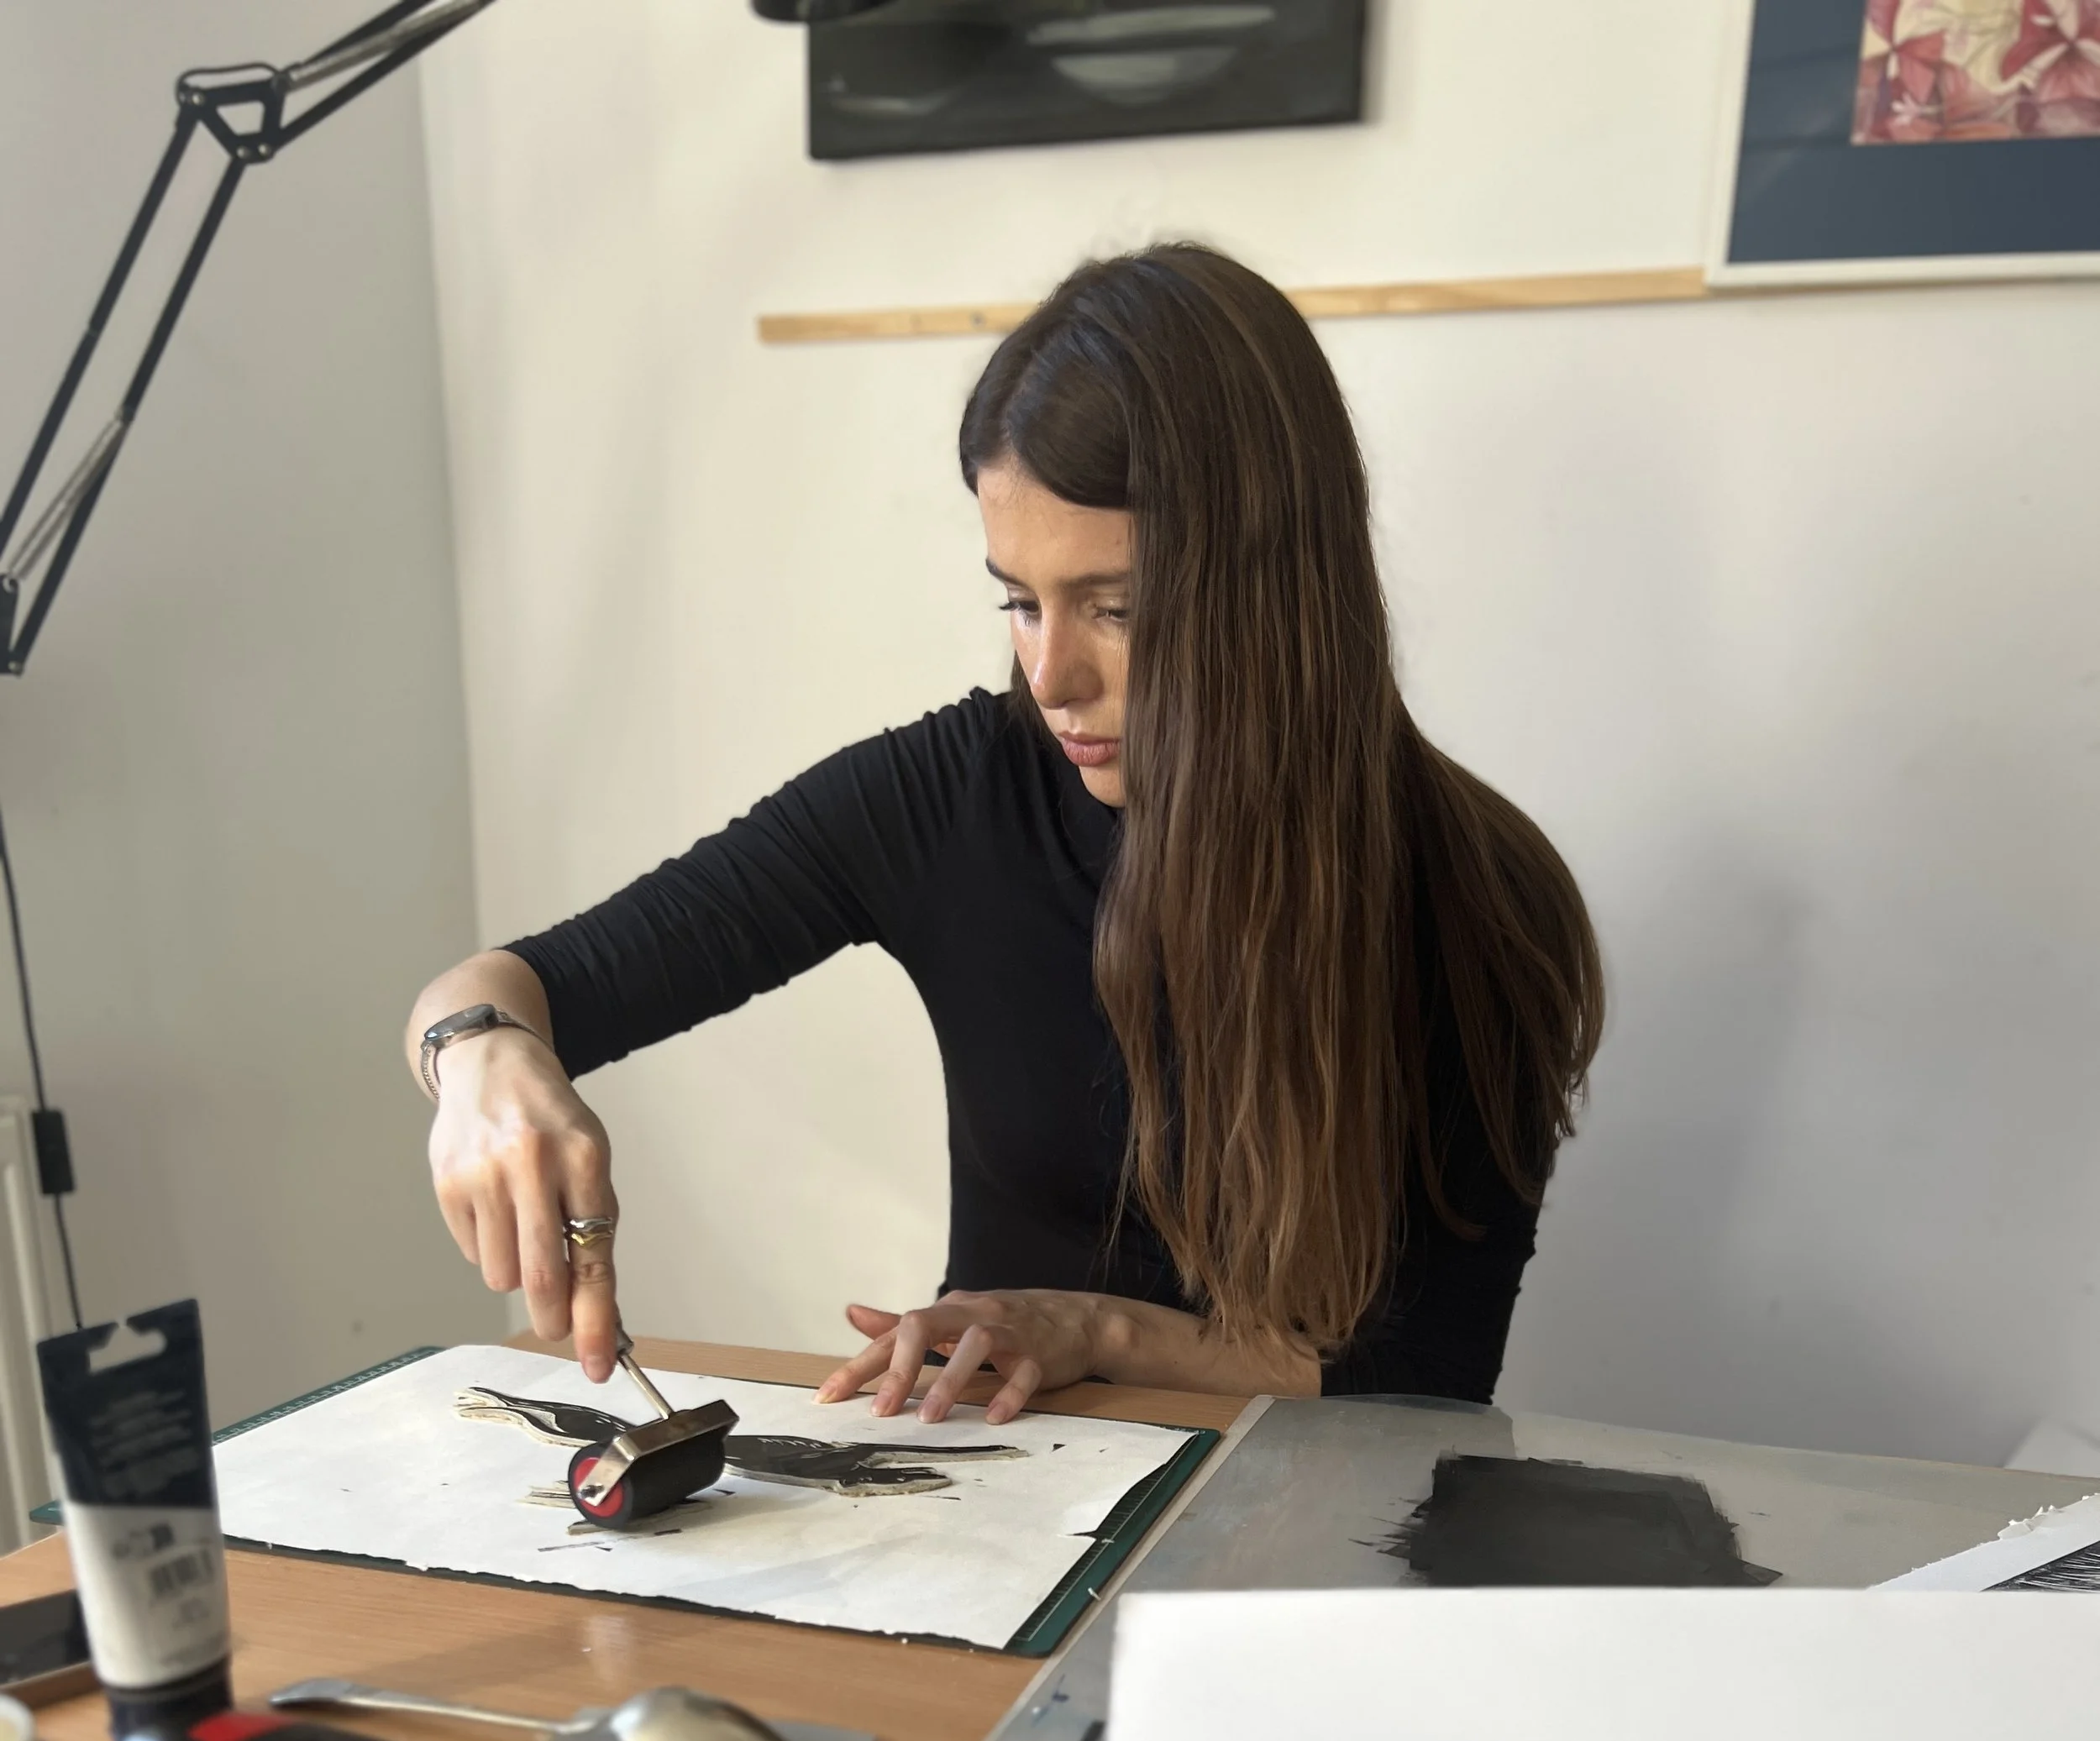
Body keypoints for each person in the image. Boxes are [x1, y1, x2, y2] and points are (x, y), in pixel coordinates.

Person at [406, 243, 1604, 1426]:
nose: (1050, 674)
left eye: (1116, 608)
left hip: (1297, 1546)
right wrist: (480, 1058)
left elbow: (1431, 1382)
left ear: (1270, 590)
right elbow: (519, 985)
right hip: (986, 1511)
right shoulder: (959, 794)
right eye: (1019, 602)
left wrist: (1098, 1330)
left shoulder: (1481, 900)